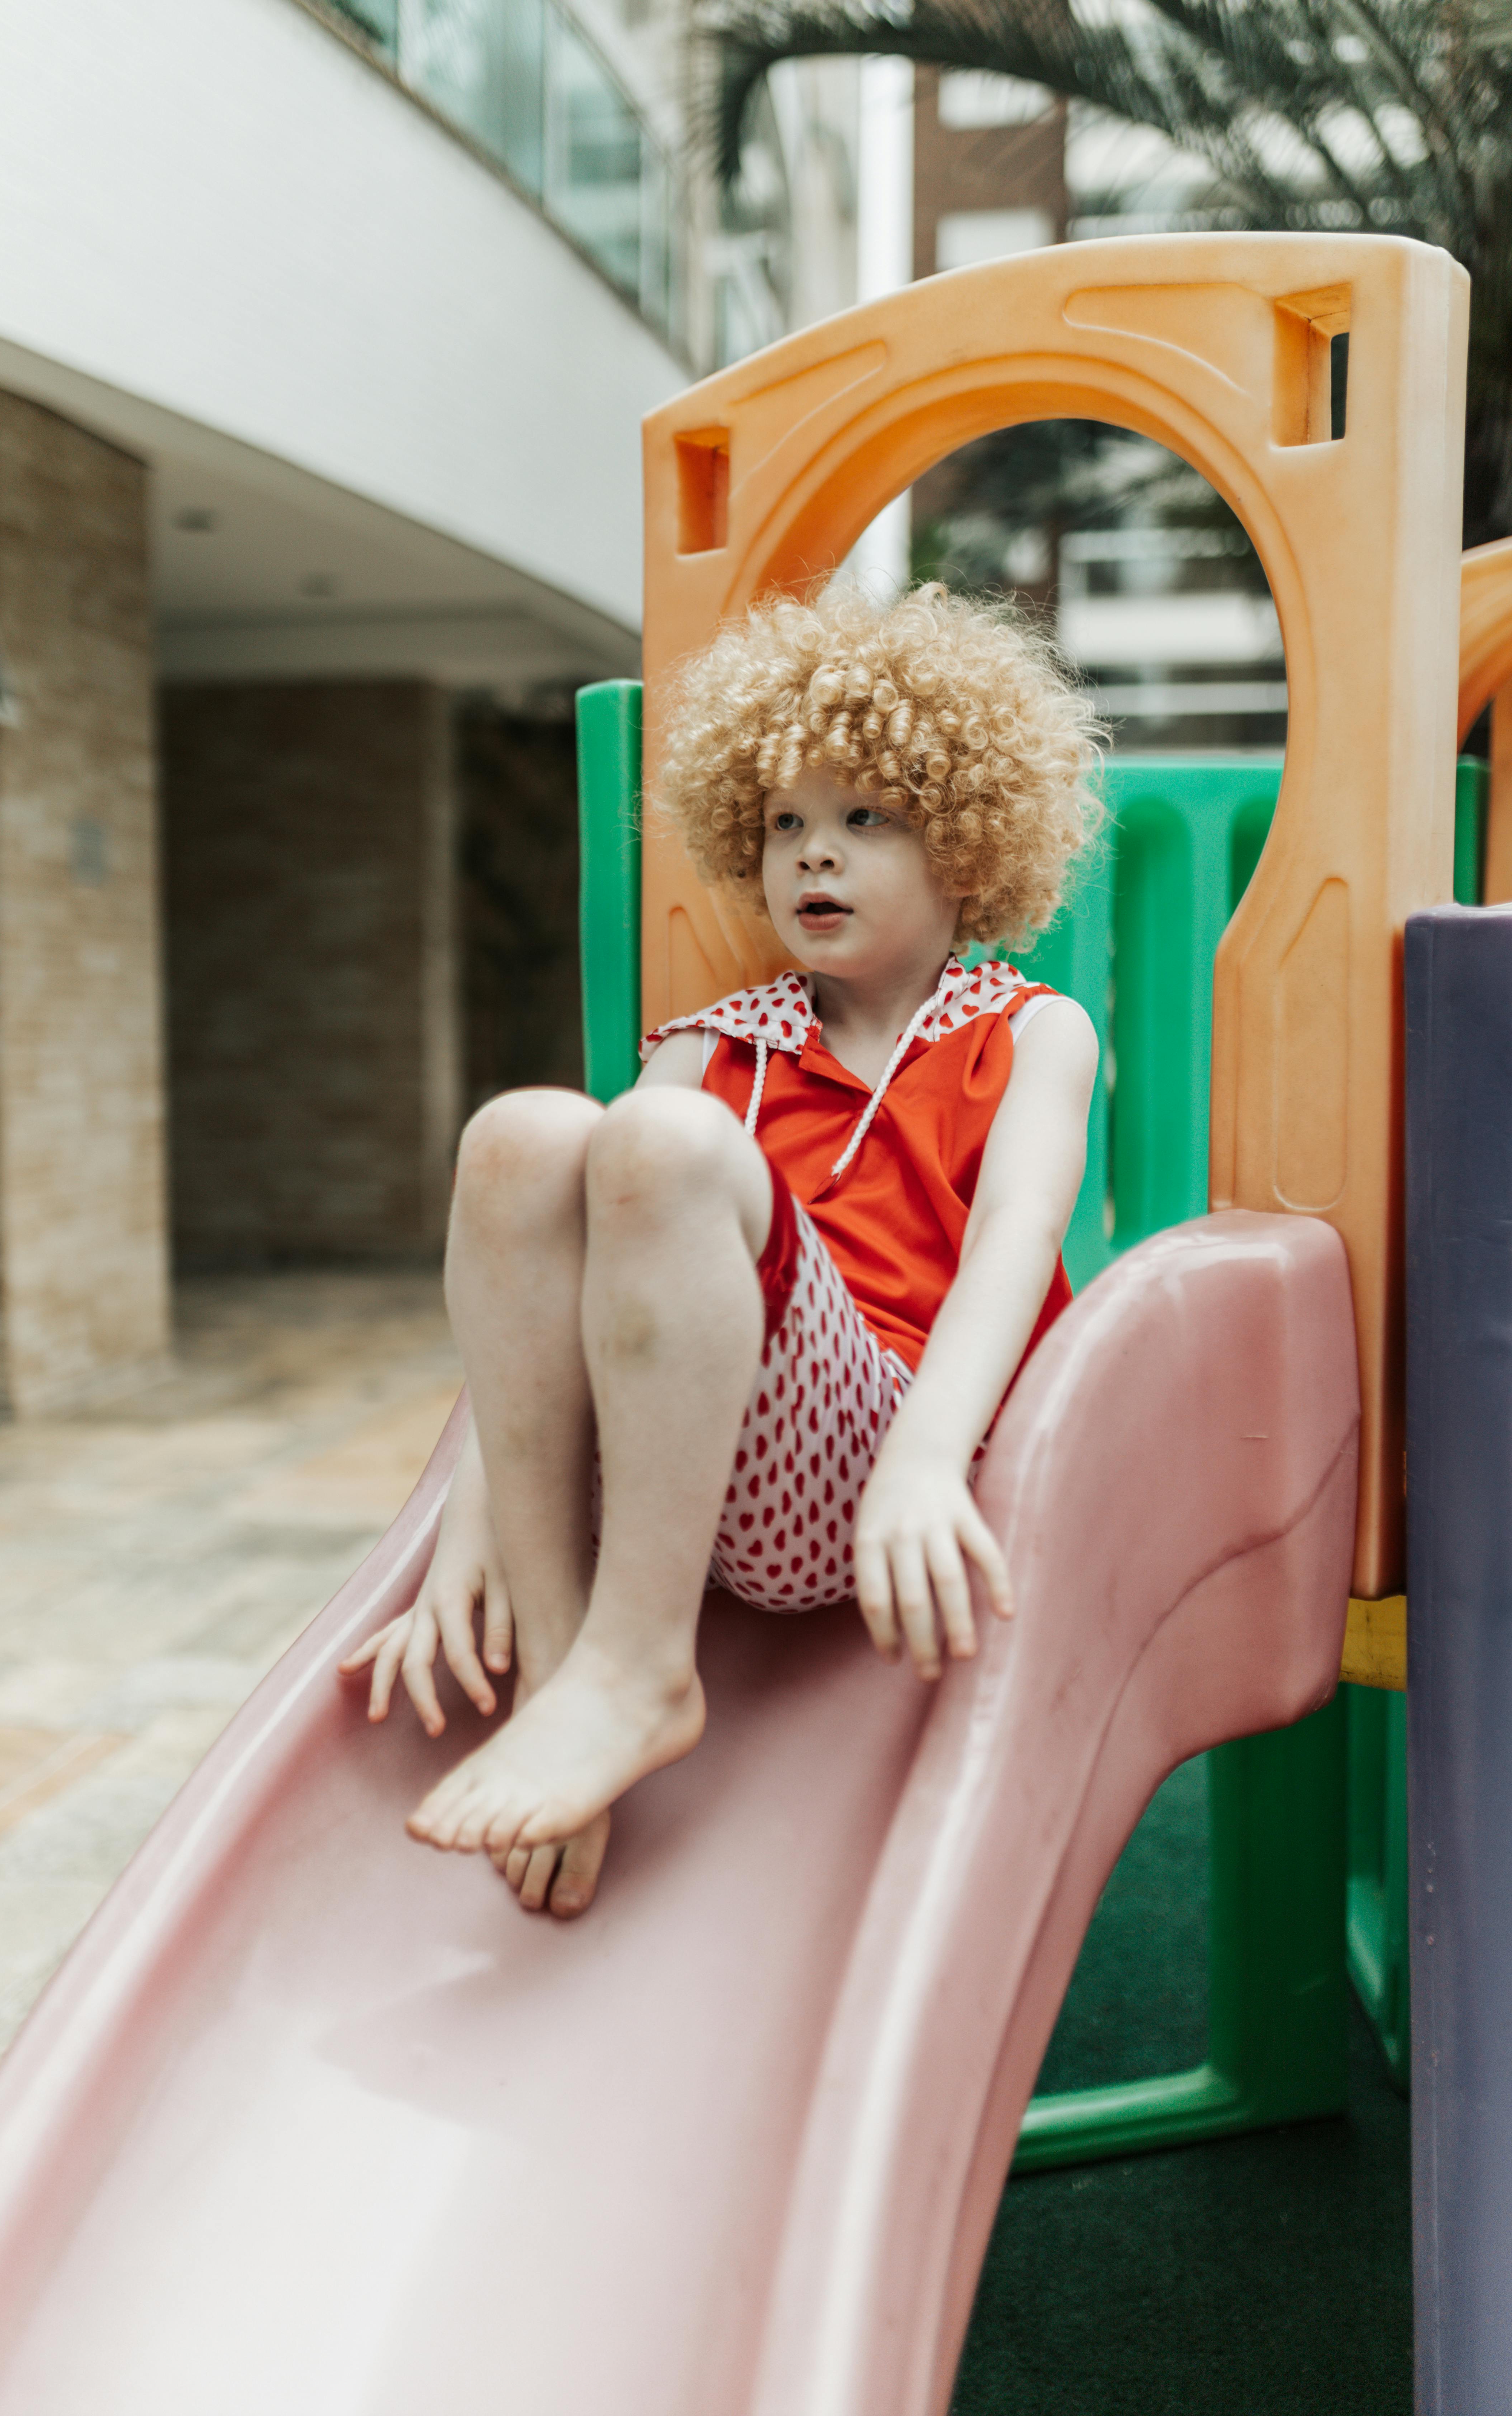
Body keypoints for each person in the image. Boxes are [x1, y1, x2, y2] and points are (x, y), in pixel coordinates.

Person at [340, 581, 1101, 1918]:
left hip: (868, 1473)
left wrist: (927, 1465)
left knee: (660, 1148)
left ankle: (641, 1673)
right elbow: (551, 1307)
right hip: (664, 1477)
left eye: (867, 820)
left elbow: (1012, 1250)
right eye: (786, 825)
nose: (814, 856)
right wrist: (464, 1533)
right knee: (525, 1134)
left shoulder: (1028, 1032)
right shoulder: (715, 1043)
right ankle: (566, 1653)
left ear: (968, 847)